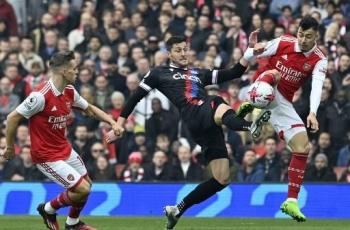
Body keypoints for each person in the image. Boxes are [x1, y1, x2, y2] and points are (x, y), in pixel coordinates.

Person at [107, 32, 270, 229]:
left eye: (185, 49)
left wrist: (250, 52)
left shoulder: (199, 73)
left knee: (222, 178)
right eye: (178, 50)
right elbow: (135, 97)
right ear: (169, 53)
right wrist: (119, 124)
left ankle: (178, 209)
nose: (183, 53)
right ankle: (249, 126)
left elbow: (234, 72)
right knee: (216, 100)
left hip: (205, 125)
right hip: (193, 113)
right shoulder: (158, 72)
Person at [0, 51, 119, 230]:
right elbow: (12, 118)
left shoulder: (69, 91)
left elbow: (90, 109)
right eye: (74, 69)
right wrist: (9, 147)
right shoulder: (40, 96)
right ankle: (48, 209)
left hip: (64, 148)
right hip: (46, 156)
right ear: (64, 71)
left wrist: (112, 122)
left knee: (88, 185)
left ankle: (73, 223)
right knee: (82, 190)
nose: (77, 72)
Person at [243, 16, 328, 222]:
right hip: (263, 87)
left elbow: (317, 87)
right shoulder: (284, 42)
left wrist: (312, 112)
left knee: (303, 147)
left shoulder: (319, 59)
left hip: (282, 103)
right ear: (296, 31)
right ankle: (255, 107)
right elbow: (251, 55)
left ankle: (291, 201)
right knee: (275, 74)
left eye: (308, 36)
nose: (303, 39)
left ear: (316, 36)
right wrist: (252, 48)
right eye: (300, 33)